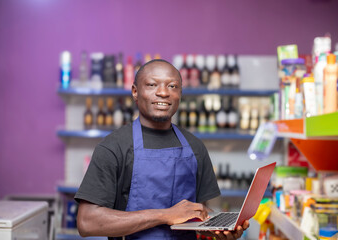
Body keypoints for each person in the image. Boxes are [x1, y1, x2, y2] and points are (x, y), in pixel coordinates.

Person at [75, 59, 249, 240]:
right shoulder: (113, 147)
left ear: (180, 94)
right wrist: (165, 215)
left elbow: (198, 212)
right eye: (152, 84)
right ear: (135, 92)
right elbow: (87, 222)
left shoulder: (195, 147)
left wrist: (218, 228)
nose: (163, 92)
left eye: (173, 86)